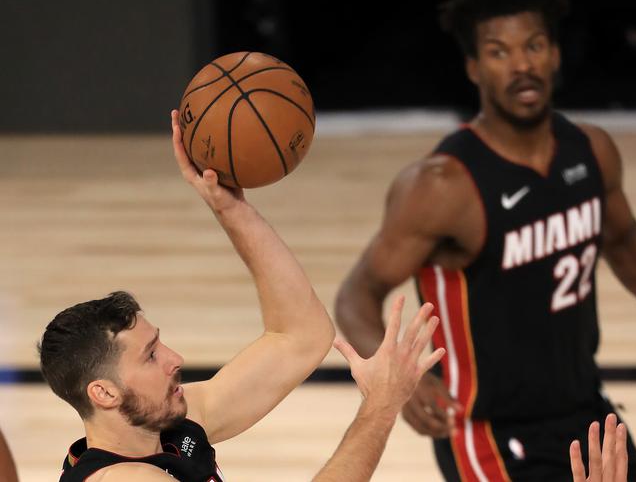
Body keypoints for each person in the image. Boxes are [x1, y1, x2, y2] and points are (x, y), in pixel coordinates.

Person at [334, 0, 636, 480]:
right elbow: (357, 294)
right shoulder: (442, 185)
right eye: (499, 52)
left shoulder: (592, 151)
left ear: (555, 54)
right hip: (489, 435)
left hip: (586, 410)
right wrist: (394, 383)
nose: (521, 64)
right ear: (474, 68)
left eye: (534, 45)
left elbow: (629, 250)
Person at [36, 110, 446, 482]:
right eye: (150, 356)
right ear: (104, 393)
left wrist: (229, 208)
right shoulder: (123, 481)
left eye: (159, 345)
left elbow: (301, 336)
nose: (175, 359)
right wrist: (380, 407)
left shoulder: (169, 429)